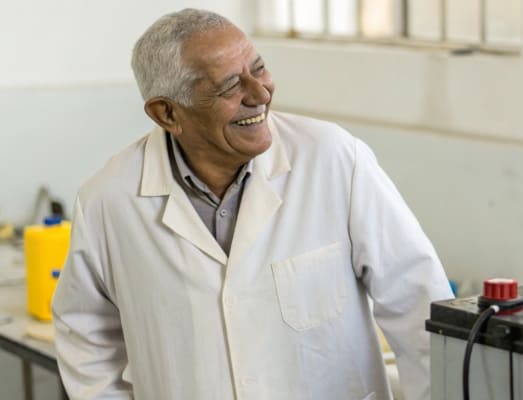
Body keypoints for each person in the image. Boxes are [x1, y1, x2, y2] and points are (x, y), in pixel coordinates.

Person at [52, 8, 453, 400]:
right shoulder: (110, 200)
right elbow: (84, 337)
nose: (260, 94)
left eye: (258, 69)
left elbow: (419, 307)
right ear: (167, 112)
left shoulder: (333, 159)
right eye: (229, 86)